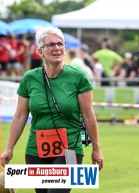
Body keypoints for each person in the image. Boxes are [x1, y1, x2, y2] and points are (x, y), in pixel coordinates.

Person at [0, 26, 104, 193]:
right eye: (51, 45)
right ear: (40, 51)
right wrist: (9, 148)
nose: (56, 48)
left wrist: (97, 149)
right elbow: (20, 116)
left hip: (70, 148)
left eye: (60, 44)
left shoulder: (78, 77)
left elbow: (88, 115)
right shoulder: (29, 78)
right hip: (36, 149)